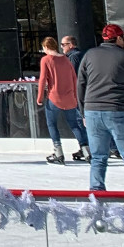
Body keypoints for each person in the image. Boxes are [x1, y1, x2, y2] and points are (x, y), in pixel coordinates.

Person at [77, 23, 124, 191]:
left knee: (98, 159)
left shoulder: (89, 55)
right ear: (118, 38)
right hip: (117, 111)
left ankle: (96, 205)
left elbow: (80, 84)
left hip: (92, 111)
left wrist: (83, 113)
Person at [37, 36, 89, 164]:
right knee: (75, 125)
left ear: (46, 47)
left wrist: (39, 97)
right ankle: (86, 149)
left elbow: (43, 79)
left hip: (54, 97)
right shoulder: (66, 60)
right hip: (69, 98)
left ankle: (58, 151)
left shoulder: (46, 60)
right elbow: (74, 79)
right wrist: (75, 97)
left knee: (52, 124)